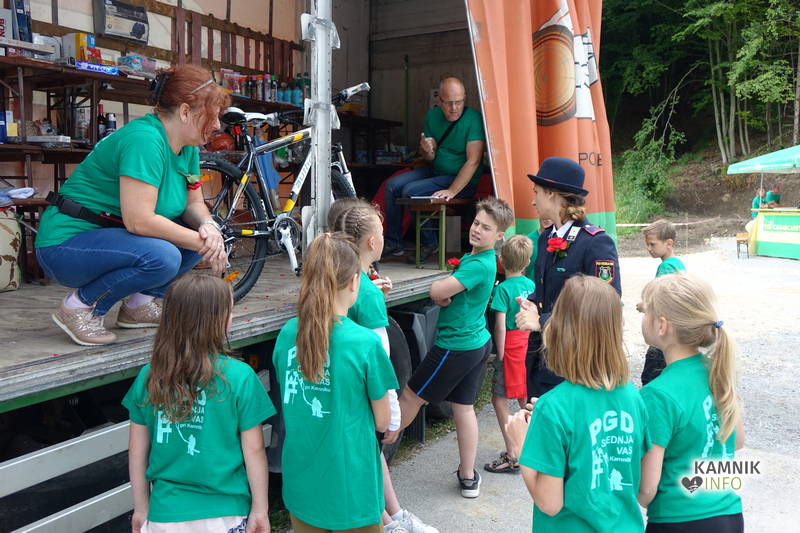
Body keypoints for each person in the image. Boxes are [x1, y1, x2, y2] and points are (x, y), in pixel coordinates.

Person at [36, 65, 230, 346]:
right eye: (213, 115)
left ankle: (139, 305)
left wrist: (209, 228)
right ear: (186, 111)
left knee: (195, 237)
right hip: (66, 245)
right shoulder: (144, 140)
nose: (217, 126)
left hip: (112, 238)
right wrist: (204, 244)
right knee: (165, 255)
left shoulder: (188, 147)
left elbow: (194, 203)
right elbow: (139, 221)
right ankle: (79, 307)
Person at [123, 274, 275, 533]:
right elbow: (254, 450)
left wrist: (141, 508)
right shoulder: (240, 376)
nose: (232, 317)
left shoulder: (149, 375)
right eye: (229, 311)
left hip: (165, 513)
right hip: (224, 514)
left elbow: (136, 450)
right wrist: (260, 509)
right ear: (216, 321)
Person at [272, 233, 398, 533]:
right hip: (351, 488)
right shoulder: (365, 343)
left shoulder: (287, 334)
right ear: (355, 282)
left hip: (301, 484)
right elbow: (383, 421)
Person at [506, 275, 650, 532]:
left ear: (558, 331)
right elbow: (640, 483)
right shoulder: (632, 396)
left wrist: (523, 445)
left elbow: (550, 503)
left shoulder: (552, 408)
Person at [331, 200, 438, 533]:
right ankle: (386, 521)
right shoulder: (369, 294)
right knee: (366, 456)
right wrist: (392, 412)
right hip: (364, 391)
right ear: (373, 242)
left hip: (343, 384)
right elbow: (382, 359)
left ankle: (395, 514)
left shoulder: (346, 280)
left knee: (369, 454)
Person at [398, 197, 514, 498]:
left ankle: (378, 450)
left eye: (486, 228)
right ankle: (468, 476)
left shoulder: (479, 264)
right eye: (476, 223)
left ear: (499, 235)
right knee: (463, 407)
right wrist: (447, 292)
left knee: (410, 396)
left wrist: (441, 292)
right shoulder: (479, 259)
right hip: (476, 342)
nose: (477, 230)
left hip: (456, 346)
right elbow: (451, 292)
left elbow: (437, 290)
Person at [637, 274, 745, 532]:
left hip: (679, 520)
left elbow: (647, 490)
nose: (641, 315)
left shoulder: (657, 394)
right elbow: (737, 440)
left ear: (662, 325)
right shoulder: (717, 370)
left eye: (646, 310)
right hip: (729, 515)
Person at [515, 156, 621, 400]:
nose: (533, 200)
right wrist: (531, 302)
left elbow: (605, 306)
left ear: (551, 194)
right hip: (543, 359)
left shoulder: (595, 243)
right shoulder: (546, 237)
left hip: (575, 365)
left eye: (536, 192)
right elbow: (548, 291)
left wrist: (542, 321)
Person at [382, 77, 486, 261]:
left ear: (464, 98)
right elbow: (429, 157)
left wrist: (452, 190)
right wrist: (427, 150)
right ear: (439, 100)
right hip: (435, 171)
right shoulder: (432, 116)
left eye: (458, 102)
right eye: (448, 103)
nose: (454, 108)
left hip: (461, 180)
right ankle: (394, 242)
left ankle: (430, 243)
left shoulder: (474, 119)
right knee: (392, 185)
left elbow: (473, 161)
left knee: (410, 191)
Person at [484, 235, 535, 475]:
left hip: (511, 346)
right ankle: (534, 448)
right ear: (528, 262)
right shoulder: (532, 285)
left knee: (499, 399)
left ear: (501, 261)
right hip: (529, 344)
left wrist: (501, 353)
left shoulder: (502, 289)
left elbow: (500, 326)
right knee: (525, 397)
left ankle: (513, 452)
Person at [639, 219, 687, 385]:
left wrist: (645, 306)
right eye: (647, 244)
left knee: (650, 379)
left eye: (652, 244)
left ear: (669, 243)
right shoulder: (678, 264)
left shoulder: (666, 267)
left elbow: (662, 302)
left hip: (664, 334)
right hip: (676, 333)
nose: (649, 248)